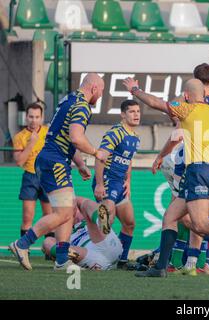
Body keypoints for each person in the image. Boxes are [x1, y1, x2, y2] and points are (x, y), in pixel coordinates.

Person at [122, 77, 209, 278]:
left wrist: (135, 89)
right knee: (170, 217)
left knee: (200, 224)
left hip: (198, 170)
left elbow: (155, 103)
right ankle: (160, 268)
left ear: (186, 96)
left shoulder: (188, 109)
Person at [9, 73, 107, 270]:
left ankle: (62, 259)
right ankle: (22, 244)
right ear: (94, 88)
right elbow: (76, 138)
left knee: (68, 209)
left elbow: (61, 136)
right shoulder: (82, 106)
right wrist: (97, 152)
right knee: (63, 213)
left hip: (52, 159)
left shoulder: (69, 99)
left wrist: (79, 163)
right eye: (102, 92)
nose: (101, 96)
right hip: (55, 162)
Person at [93, 100, 141, 269]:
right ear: (123, 114)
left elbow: (128, 160)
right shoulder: (115, 133)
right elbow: (100, 157)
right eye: (132, 112)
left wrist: (128, 180)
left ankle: (121, 260)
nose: (136, 114)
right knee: (107, 220)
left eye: (138, 111)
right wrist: (99, 184)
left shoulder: (135, 137)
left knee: (130, 223)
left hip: (120, 184)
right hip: (107, 181)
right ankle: (97, 257)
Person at [42, 197, 123, 271]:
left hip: (106, 243)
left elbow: (77, 201)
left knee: (85, 204)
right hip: (91, 258)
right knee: (47, 242)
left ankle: (101, 218)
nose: (74, 213)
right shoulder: (64, 235)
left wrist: (70, 201)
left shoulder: (85, 218)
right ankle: (64, 257)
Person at [13, 103, 52, 242]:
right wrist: (31, 143)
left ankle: (50, 252)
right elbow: (19, 162)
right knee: (27, 216)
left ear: (41, 118)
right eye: (31, 116)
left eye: (37, 117)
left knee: (49, 215)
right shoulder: (20, 137)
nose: (33, 120)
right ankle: (23, 249)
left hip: (47, 176)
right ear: (26, 117)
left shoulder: (49, 132)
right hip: (30, 176)